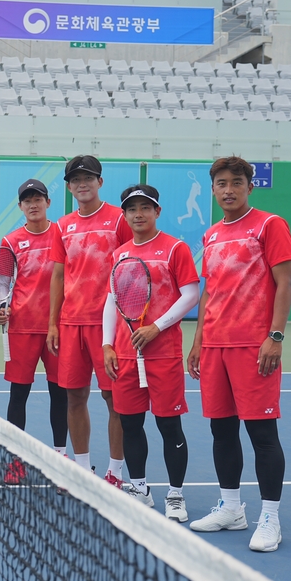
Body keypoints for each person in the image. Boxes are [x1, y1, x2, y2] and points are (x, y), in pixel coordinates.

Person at [187, 156, 291, 553]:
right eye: (221, 183)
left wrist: (276, 336)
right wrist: (199, 341)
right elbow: (211, 290)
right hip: (215, 346)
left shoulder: (270, 225)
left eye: (236, 182)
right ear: (213, 189)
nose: (228, 189)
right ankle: (231, 507)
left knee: (262, 434)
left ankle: (270, 516)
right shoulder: (212, 234)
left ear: (250, 186)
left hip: (255, 346)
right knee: (221, 430)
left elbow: (285, 283)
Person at [101, 185, 199, 523]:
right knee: (130, 424)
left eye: (145, 207)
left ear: (157, 211)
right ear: (124, 215)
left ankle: (175, 495)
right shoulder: (120, 254)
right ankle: (140, 489)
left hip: (163, 355)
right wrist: (107, 344)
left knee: (169, 425)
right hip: (126, 355)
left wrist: (157, 326)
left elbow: (190, 294)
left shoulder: (175, 248)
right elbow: (112, 301)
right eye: (131, 209)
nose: (138, 214)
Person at [48, 155, 132, 487]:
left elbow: (133, 268)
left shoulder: (119, 219)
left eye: (89, 178)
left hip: (109, 327)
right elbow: (58, 275)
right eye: (75, 180)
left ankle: (115, 471)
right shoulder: (62, 225)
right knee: (73, 397)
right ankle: (82, 469)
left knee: (115, 399)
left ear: (100, 182)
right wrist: (54, 323)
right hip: (71, 325)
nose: (82, 184)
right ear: (69, 187)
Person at [0, 180, 69, 481]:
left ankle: (61, 457)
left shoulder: (62, 233)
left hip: (58, 328)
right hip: (21, 328)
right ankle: (15, 459)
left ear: (48, 203)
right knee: (18, 395)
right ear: (20, 207)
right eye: (27, 200)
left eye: (38, 198)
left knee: (59, 394)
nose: (33, 204)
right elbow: (2, 282)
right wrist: (3, 304)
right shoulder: (10, 241)